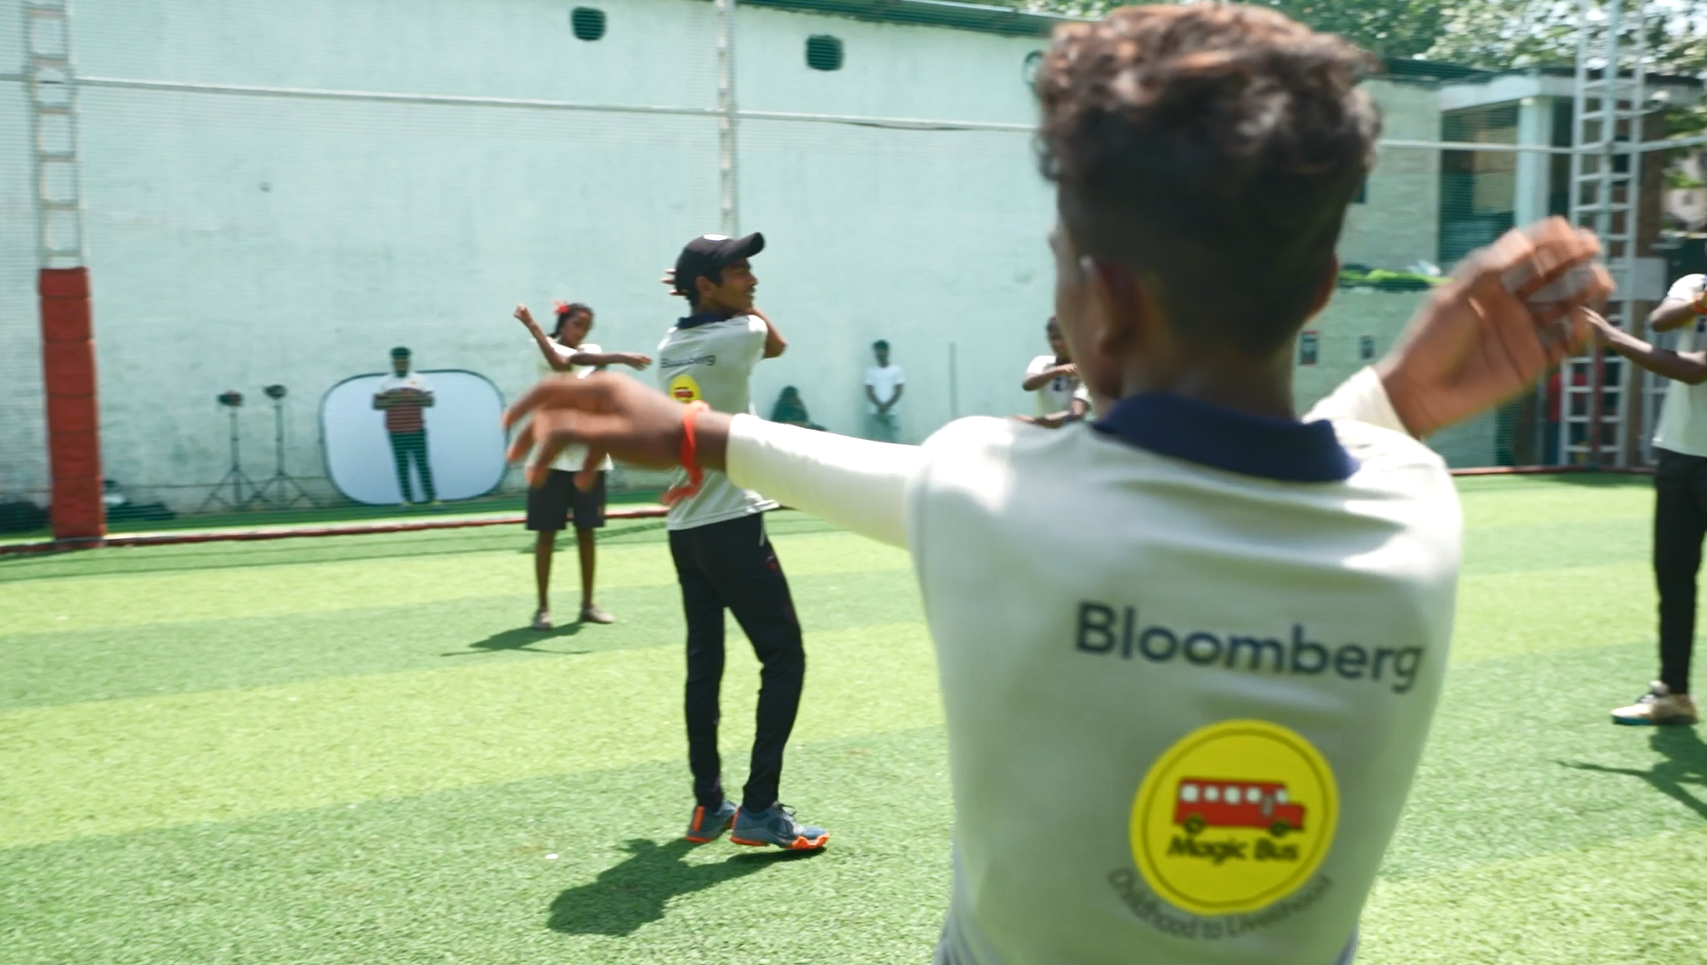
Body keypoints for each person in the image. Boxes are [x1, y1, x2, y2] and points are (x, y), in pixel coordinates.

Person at [504, 6, 1609, 963]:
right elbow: (1319, 462)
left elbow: (848, 466)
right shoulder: (1416, 507)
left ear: (1103, 301)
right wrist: (1400, 391)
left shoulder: (988, 489)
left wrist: (697, 433)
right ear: (1321, 281)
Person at [650, 232, 829, 851]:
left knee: (706, 663)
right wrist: (738, 308)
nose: (752, 281)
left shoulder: (669, 344)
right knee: (785, 659)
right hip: (732, 524)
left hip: (685, 530)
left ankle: (708, 806)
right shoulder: (740, 334)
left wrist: (707, 297)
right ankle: (758, 809)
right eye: (739, 271)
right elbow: (775, 342)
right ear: (708, 285)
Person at [1581, 272, 1707, 725]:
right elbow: (1659, 322)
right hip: (1679, 454)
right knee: (1673, 577)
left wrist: (1611, 336)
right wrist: (1700, 302)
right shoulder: (1696, 283)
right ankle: (1674, 694)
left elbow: (1695, 369)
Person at [513, 300, 653, 630]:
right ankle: (543, 609)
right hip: (550, 460)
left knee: (586, 533)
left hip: (589, 461)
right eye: (576, 325)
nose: (582, 333)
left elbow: (583, 361)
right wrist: (532, 324)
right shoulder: (540, 345)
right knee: (546, 535)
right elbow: (561, 363)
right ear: (562, 323)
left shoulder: (592, 351)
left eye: (586, 328)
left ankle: (588, 604)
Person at [372, 347, 437, 507]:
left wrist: (409, 397)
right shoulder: (385, 382)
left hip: (417, 429)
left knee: (422, 464)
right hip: (395, 431)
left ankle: (432, 498)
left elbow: (430, 402)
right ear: (393, 362)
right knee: (402, 466)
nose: (400, 365)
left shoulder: (419, 380)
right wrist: (393, 400)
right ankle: (407, 500)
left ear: (408, 362)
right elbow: (376, 404)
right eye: (397, 362)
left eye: (403, 361)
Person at [1020, 316, 1092, 428]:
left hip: (1070, 437)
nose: (1059, 343)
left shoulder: (1087, 371)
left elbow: (1076, 415)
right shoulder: (1042, 362)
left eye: (1065, 337)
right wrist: (1057, 371)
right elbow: (1028, 385)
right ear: (1048, 338)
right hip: (1043, 434)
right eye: (1054, 338)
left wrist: (1033, 422)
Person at [865, 340, 905, 442]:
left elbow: (899, 391)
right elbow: (869, 391)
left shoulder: (897, 370)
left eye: (881, 351)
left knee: (896, 442)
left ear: (887, 351)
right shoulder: (870, 371)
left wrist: (886, 406)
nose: (879, 354)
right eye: (877, 351)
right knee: (877, 443)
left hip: (892, 413)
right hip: (875, 412)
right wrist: (880, 406)